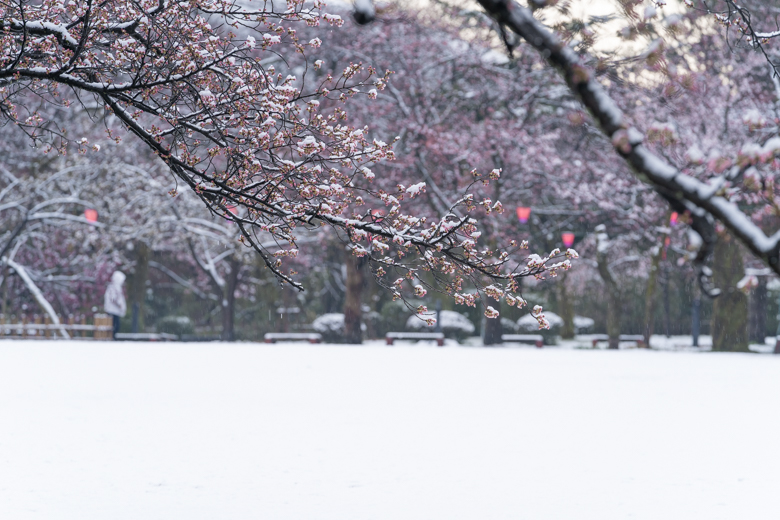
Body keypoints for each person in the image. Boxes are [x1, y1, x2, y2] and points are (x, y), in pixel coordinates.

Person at [104, 271, 127, 339]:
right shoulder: (112, 288)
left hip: (116, 311)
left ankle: (113, 337)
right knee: (114, 326)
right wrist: (119, 304)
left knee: (116, 326)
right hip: (112, 310)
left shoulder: (117, 288)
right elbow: (113, 298)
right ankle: (112, 337)